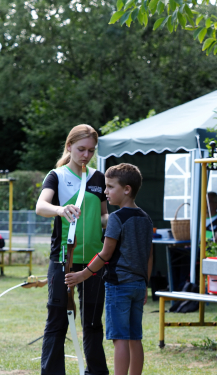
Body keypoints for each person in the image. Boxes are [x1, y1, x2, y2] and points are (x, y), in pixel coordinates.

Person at [65, 163, 154, 375]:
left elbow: (105, 253)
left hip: (118, 286)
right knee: (135, 337)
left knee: (120, 338)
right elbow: (150, 255)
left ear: (127, 189)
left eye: (110, 187)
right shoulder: (146, 218)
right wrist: (145, 285)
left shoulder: (116, 218)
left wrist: (82, 274)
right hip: (138, 286)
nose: (105, 191)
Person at [36, 124, 109, 375]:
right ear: (69, 147)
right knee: (57, 322)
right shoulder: (56, 176)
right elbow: (41, 206)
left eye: (91, 150)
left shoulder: (99, 178)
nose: (86, 155)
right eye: (81, 149)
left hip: (95, 262)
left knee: (92, 323)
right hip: (63, 260)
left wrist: (116, 221)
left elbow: (103, 216)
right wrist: (60, 209)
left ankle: (96, 372)